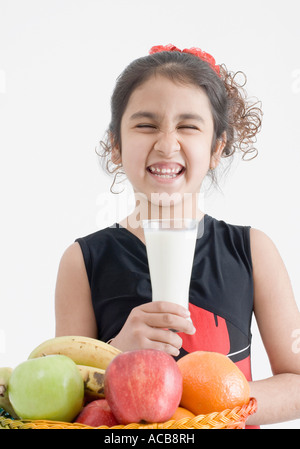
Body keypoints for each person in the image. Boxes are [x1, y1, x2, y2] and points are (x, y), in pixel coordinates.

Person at [55, 44, 300, 427]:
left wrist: (205, 402)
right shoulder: (83, 260)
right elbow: (64, 399)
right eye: (146, 125)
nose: (167, 144)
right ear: (116, 145)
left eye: (188, 125)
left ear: (217, 147)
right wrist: (115, 354)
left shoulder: (253, 251)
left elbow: (298, 382)